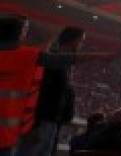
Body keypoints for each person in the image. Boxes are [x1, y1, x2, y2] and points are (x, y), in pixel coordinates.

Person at [1, 16, 108, 156]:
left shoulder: (30, 56)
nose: (25, 34)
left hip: (39, 123)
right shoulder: (30, 56)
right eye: (25, 30)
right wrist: (99, 56)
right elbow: (43, 87)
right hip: (37, 123)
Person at [19, 26, 88, 156]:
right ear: (73, 40)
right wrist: (34, 123)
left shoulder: (63, 64)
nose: (82, 44)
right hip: (41, 123)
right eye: (81, 41)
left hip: (51, 122)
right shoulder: (52, 61)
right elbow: (40, 92)